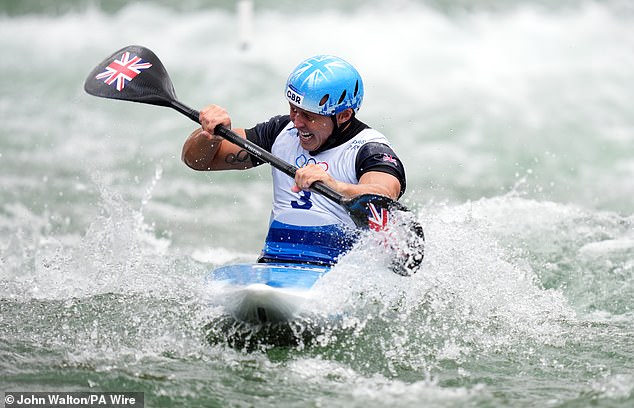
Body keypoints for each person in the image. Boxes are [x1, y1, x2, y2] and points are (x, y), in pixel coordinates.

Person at [182, 55, 407, 265]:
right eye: (293, 109)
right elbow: (196, 161)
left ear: (344, 115)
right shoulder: (280, 132)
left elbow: (384, 193)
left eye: (308, 116)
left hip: (336, 273)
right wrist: (210, 135)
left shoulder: (369, 149)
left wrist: (335, 185)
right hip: (275, 262)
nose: (297, 123)